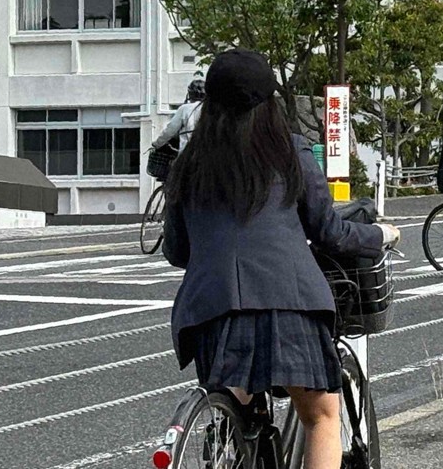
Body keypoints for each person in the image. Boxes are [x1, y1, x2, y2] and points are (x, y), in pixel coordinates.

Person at [161, 49, 400, 469]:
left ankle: (232, 431)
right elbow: (330, 232)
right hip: (287, 303)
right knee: (321, 416)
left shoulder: (187, 165)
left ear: (209, 104)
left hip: (210, 309)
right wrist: (381, 234)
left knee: (234, 399)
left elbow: (177, 251)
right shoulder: (290, 153)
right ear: (270, 101)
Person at [153, 78, 205, 152]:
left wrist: (157, 144)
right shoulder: (212, 108)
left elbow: (170, 130)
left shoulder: (184, 109)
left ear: (190, 93)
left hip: (188, 153)